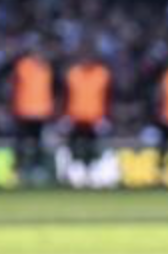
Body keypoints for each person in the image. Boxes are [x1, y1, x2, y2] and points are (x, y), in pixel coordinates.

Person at [9, 48, 54, 179]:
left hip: (41, 113)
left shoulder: (47, 68)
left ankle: (37, 169)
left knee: (39, 143)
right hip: (24, 111)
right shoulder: (23, 66)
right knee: (22, 143)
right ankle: (19, 169)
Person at [64, 54, 111, 165]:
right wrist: (65, 115)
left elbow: (109, 96)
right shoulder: (73, 73)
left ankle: (93, 166)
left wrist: (107, 116)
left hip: (96, 117)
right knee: (75, 143)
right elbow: (66, 95)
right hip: (75, 117)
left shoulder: (102, 74)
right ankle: (75, 165)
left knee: (94, 145)